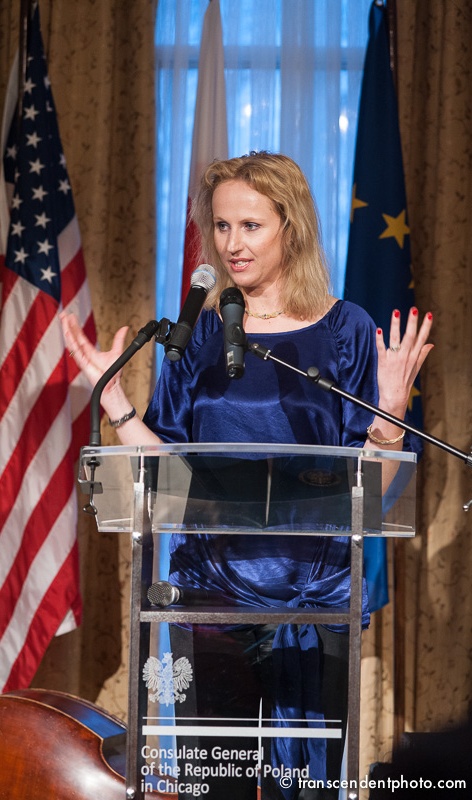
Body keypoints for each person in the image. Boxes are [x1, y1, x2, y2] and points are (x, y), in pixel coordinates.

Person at [61, 152, 433, 799]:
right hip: (209, 596)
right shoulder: (197, 335)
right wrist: (115, 402)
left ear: (292, 227)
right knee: (215, 784)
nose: (232, 243)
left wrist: (392, 416)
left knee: (307, 788)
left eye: (251, 226)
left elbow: (374, 489)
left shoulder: (345, 329)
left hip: (316, 601)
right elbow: (164, 469)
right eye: (222, 225)